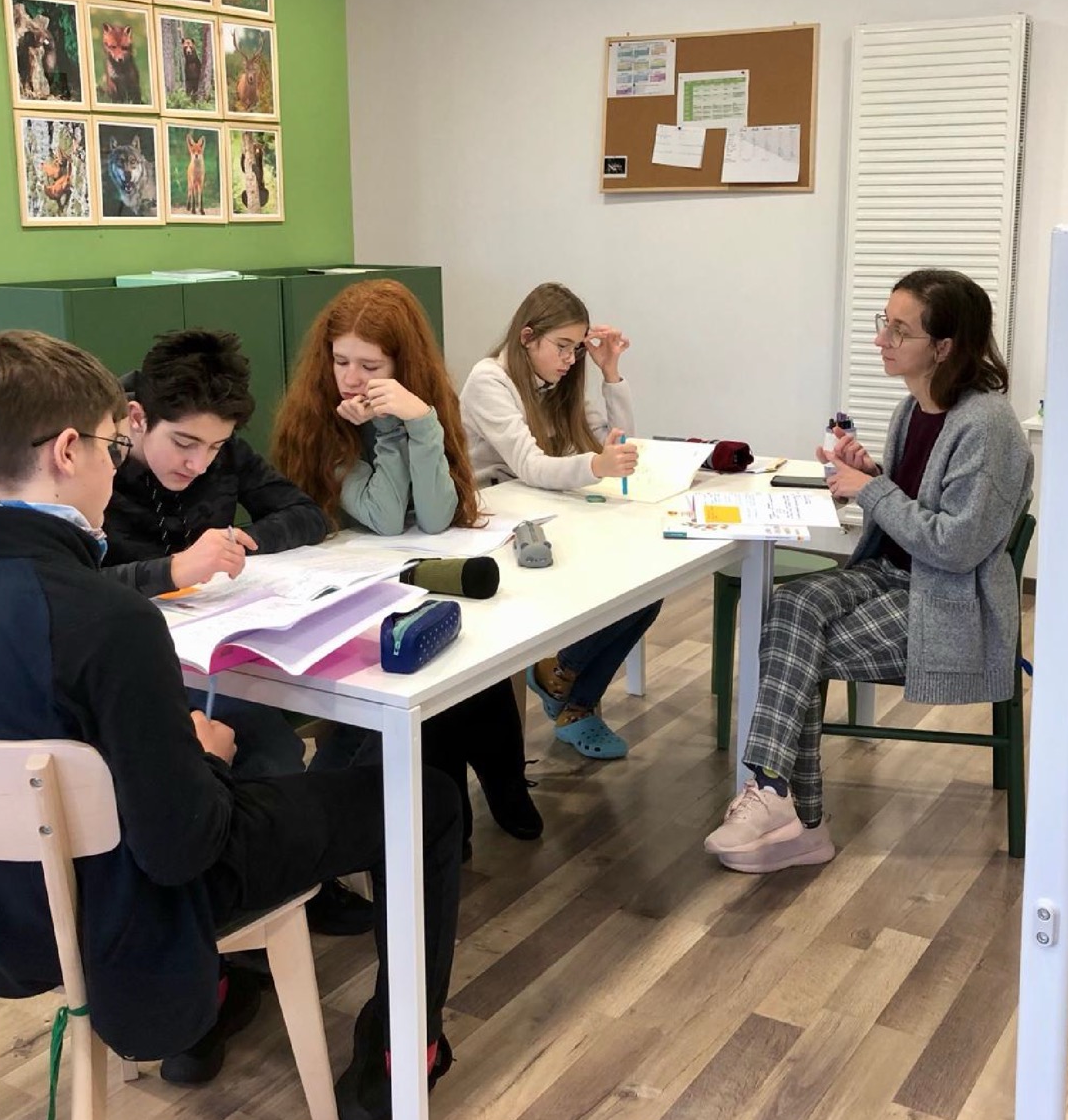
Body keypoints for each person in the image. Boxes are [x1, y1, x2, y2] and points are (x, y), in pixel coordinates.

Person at [0, 331, 463, 1120]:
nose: (118, 468)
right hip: (114, 908)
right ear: (69, 451)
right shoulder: (109, 620)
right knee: (424, 798)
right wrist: (203, 756)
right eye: (112, 446)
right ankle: (401, 1048)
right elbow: (184, 847)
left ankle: (220, 994)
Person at [704, 268, 1033, 873]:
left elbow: (955, 547)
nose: (882, 339)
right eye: (885, 323)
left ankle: (792, 813)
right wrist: (873, 475)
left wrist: (871, 489)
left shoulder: (987, 427)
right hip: (894, 576)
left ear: (944, 347)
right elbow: (917, 504)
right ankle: (780, 800)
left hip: (949, 604)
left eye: (899, 330)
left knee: (793, 649)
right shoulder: (915, 408)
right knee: (790, 608)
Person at [101, 327, 371, 936]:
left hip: (216, 650)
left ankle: (282, 885)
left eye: (215, 448)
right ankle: (249, 905)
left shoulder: (217, 448)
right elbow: (69, 582)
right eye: (184, 444)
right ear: (137, 418)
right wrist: (172, 570)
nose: (198, 464)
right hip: (133, 664)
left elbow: (305, 514)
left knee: (277, 744)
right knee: (265, 748)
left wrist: (244, 541)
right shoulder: (95, 464)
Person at [271, 279, 542, 859]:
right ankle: (464, 804)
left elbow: (439, 516)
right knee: (437, 668)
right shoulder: (323, 421)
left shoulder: (420, 404)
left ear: (401, 365)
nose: (350, 378)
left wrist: (421, 420)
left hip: (401, 574)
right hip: (341, 591)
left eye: (370, 365)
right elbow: (387, 518)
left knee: (474, 658)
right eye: (340, 360)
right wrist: (394, 431)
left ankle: (492, 789)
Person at [459, 281, 661, 760]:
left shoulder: (558, 379)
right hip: (496, 517)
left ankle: (562, 679)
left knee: (644, 593)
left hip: (544, 505)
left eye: (577, 348)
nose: (571, 359)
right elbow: (530, 465)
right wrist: (597, 466)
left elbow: (614, 444)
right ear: (527, 337)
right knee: (612, 587)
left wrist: (610, 373)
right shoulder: (489, 380)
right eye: (562, 346)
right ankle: (572, 695)